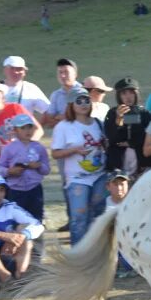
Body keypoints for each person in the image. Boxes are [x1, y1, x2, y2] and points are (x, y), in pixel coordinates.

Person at [51, 85, 108, 244]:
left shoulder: (98, 123)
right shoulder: (63, 127)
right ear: (71, 104)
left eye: (87, 100)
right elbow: (55, 153)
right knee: (79, 218)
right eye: (79, 101)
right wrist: (74, 150)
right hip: (77, 178)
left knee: (98, 215)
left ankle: (96, 252)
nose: (83, 104)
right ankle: (78, 255)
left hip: (99, 176)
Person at [0, 172, 43, 283]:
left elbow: (37, 225)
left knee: (24, 230)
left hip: (6, 256)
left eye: (1, 190)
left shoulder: (10, 207)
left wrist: (20, 236)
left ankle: (21, 275)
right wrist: (1, 235)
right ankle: (4, 276)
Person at [0, 113, 50, 223]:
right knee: (16, 220)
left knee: (36, 218)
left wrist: (39, 165)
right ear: (15, 130)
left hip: (34, 189)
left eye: (29, 127)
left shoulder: (39, 148)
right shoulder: (8, 148)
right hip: (15, 190)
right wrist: (10, 171)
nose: (27, 131)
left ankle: (36, 239)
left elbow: (46, 170)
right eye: (23, 128)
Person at [104, 77, 151, 177]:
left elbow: (149, 136)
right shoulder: (112, 113)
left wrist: (131, 143)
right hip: (118, 161)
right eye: (124, 93)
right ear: (119, 96)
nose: (128, 97)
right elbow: (111, 137)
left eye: (131, 93)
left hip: (141, 161)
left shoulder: (144, 113)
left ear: (136, 94)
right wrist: (119, 119)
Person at [103, 169, 135, 278]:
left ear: (128, 186)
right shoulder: (102, 206)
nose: (119, 188)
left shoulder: (135, 204)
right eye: (115, 184)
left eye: (122, 184)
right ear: (108, 187)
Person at [44, 58, 80, 126]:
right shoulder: (55, 95)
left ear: (75, 74)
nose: (63, 76)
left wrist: (59, 117)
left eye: (66, 72)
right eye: (60, 72)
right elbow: (49, 120)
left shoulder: (83, 91)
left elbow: (84, 117)